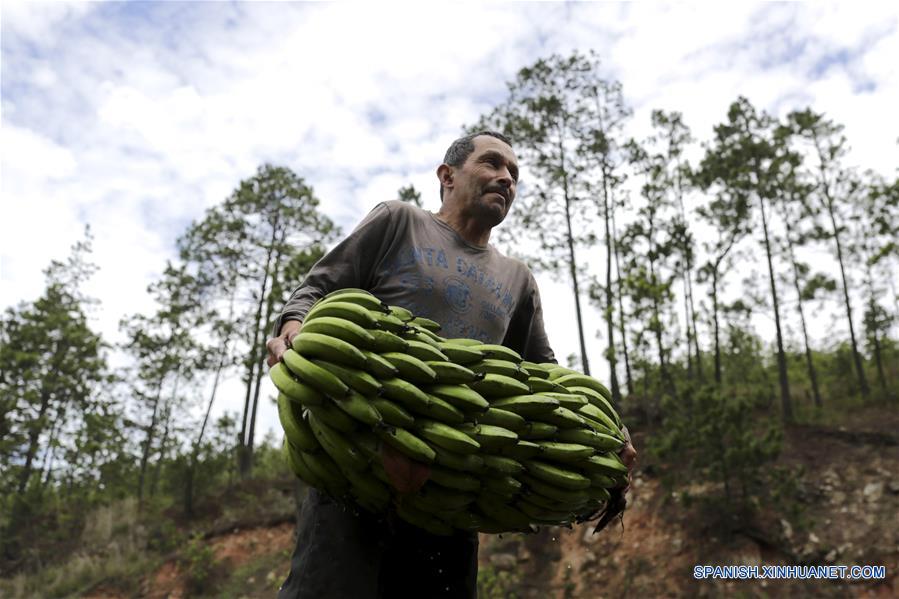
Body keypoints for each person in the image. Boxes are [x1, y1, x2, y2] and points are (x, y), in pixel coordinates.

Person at [266, 131, 637, 598]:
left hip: (454, 490)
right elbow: (317, 289)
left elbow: (545, 375)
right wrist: (294, 331)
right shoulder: (399, 223)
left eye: (514, 175)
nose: (507, 178)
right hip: (358, 474)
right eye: (493, 164)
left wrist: (606, 436)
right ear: (447, 176)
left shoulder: (518, 279)